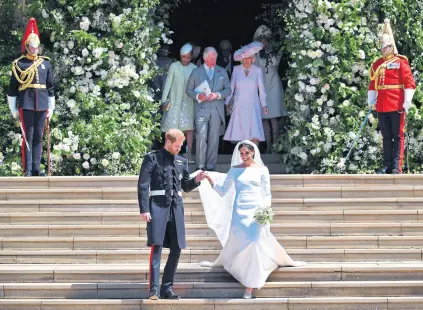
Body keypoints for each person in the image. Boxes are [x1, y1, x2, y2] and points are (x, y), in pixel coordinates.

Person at [199, 140, 305, 299]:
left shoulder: (262, 170)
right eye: (241, 153)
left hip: (256, 211)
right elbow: (222, 191)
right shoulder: (235, 170)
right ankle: (244, 273)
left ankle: (249, 286)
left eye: (247, 153)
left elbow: (267, 193)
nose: (244, 156)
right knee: (243, 244)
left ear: (253, 152)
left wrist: (265, 211)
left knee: (255, 242)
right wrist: (210, 180)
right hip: (239, 212)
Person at [137, 129, 206, 300]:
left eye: (181, 145)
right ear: (168, 142)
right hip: (157, 207)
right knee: (157, 247)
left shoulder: (181, 161)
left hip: (176, 208)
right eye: (177, 145)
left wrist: (197, 180)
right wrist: (144, 209)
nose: (179, 148)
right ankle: (154, 289)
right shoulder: (152, 158)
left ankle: (166, 287)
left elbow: (186, 186)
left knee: (176, 248)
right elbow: (143, 185)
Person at [7, 17, 55, 177]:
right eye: (32, 47)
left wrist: (51, 107)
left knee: (38, 137)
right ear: (27, 47)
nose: (35, 50)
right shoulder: (19, 64)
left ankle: (36, 168)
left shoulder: (45, 64)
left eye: (37, 47)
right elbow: (13, 88)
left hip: (42, 104)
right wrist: (13, 107)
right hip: (26, 103)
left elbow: (50, 87)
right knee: (28, 136)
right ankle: (27, 169)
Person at [368, 19, 416, 174]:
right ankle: (387, 165)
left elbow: (409, 83)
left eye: (385, 47)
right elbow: (372, 85)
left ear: (391, 47)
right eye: (381, 47)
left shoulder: (401, 62)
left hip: (396, 104)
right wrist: (371, 101)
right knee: (386, 137)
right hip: (381, 105)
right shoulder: (376, 64)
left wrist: (407, 101)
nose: (383, 50)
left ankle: (397, 166)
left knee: (398, 136)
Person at [186, 47, 231, 171]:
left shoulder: (222, 71)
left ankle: (211, 165)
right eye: (211, 58)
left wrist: (218, 95)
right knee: (201, 136)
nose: (213, 60)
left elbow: (228, 90)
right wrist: (197, 96)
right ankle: (200, 166)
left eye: (215, 58)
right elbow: (188, 90)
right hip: (201, 108)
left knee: (214, 137)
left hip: (217, 109)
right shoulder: (196, 72)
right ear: (205, 58)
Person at [224, 42, 269, 146]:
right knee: (241, 132)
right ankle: (243, 158)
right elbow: (231, 87)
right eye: (244, 58)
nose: (247, 61)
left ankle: (255, 157)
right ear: (241, 59)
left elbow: (261, 89)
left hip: (253, 105)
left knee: (255, 132)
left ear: (253, 59)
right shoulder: (236, 70)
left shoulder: (257, 70)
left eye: (249, 58)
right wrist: (227, 103)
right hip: (239, 105)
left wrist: (264, 104)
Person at [161, 44, 197, 163]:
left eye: (188, 57)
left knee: (189, 128)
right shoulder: (174, 66)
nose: (185, 60)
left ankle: (189, 154)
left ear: (191, 57)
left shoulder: (193, 68)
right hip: (175, 100)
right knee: (171, 128)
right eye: (183, 57)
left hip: (188, 102)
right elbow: (168, 84)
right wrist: (163, 100)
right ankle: (169, 154)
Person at [253, 25, 287, 153]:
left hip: (273, 85)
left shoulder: (274, 52)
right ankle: (268, 146)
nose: (263, 42)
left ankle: (275, 145)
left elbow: (276, 65)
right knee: (263, 118)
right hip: (262, 87)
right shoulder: (256, 55)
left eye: (265, 39)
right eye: (261, 40)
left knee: (273, 116)